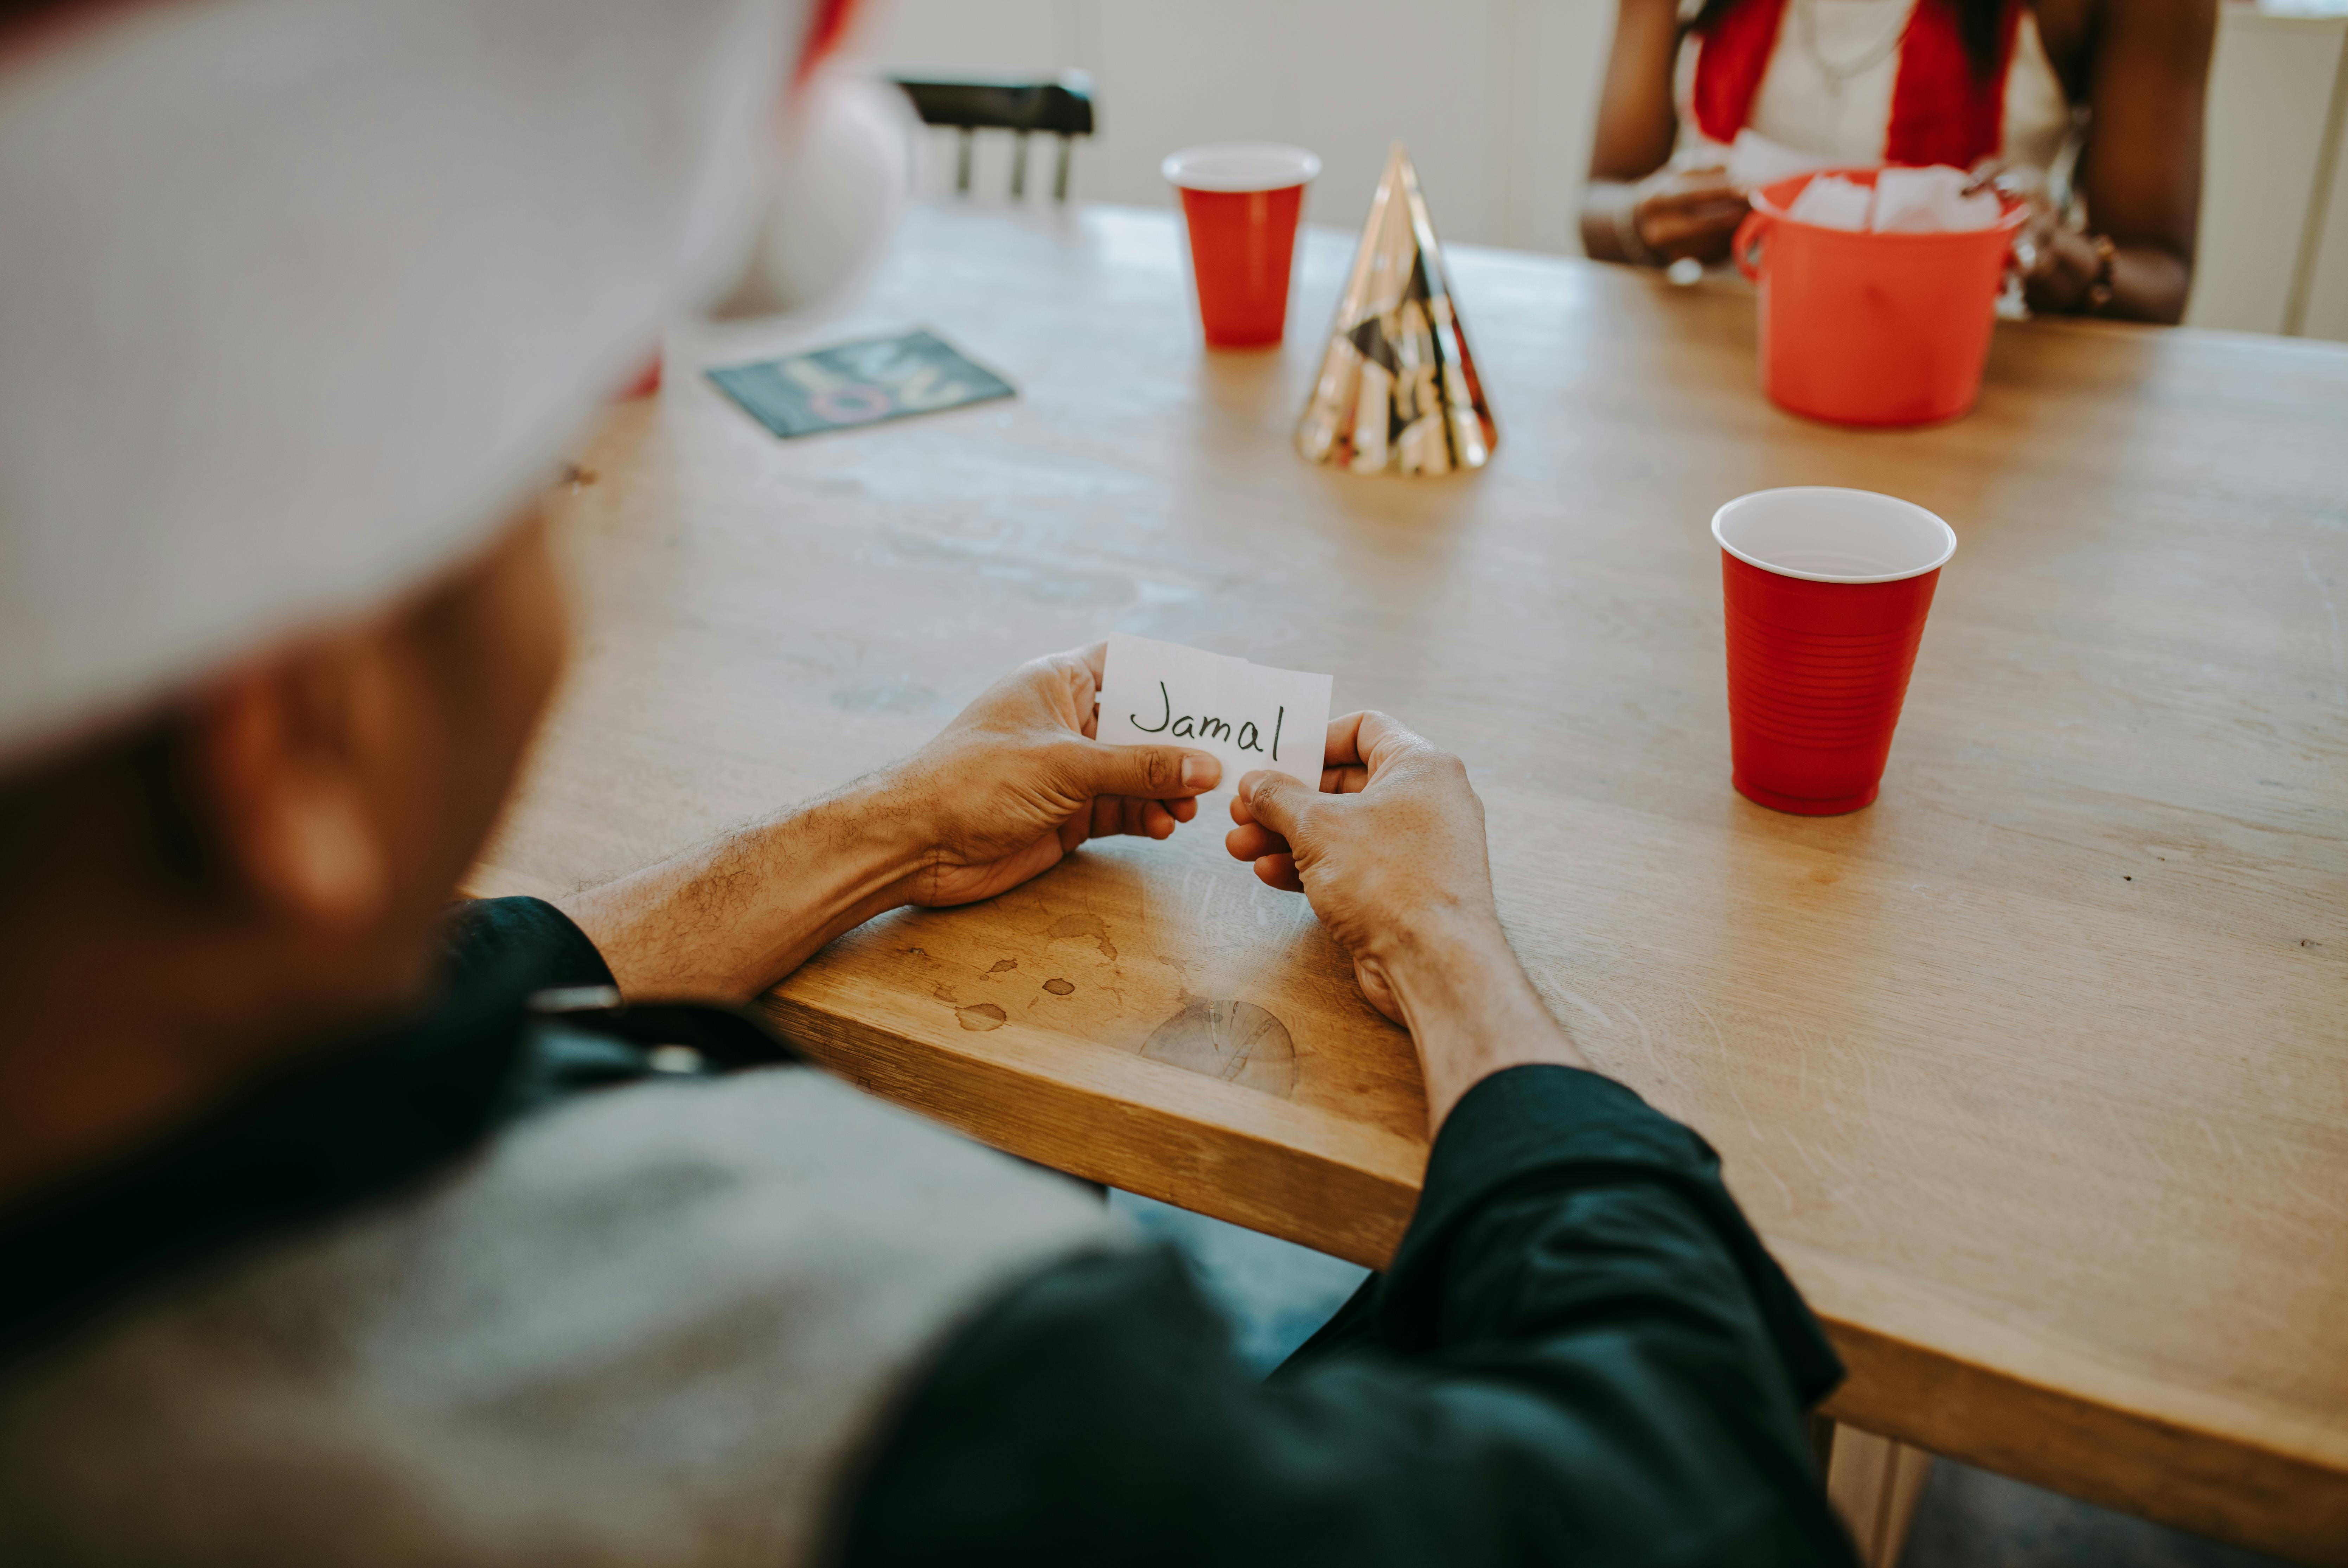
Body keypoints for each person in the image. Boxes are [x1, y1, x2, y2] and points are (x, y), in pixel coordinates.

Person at [0, 1, 1857, 1563]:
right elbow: (1688, 1490)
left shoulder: (107, 1065)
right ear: (290, 743)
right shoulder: (863, 1382)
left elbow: (480, 973)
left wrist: (890, 815)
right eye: (533, 486)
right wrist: (1453, 948)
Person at [1578, 0, 2214, 322]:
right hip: (1719, 368)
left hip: (1975, 392)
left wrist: (2060, 258)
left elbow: (2158, 274)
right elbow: (1599, 204)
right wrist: (1643, 219)